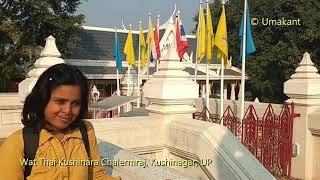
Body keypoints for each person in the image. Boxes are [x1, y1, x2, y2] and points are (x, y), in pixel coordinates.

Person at [0, 63, 121, 180]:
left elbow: (95, 175)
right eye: (60, 102)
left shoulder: (85, 131)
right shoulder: (18, 143)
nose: (68, 111)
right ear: (43, 99)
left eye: (75, 103)